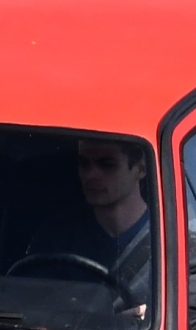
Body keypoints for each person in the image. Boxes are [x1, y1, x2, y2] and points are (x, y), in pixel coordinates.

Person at [10, 136, 156, 317]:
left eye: (107, 164)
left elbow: (191, 313)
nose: (91, 175)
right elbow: (25, 307)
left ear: (140, 169)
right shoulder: (55, 239)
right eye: (84, 164)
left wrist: (151, 318)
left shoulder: (174, 242)